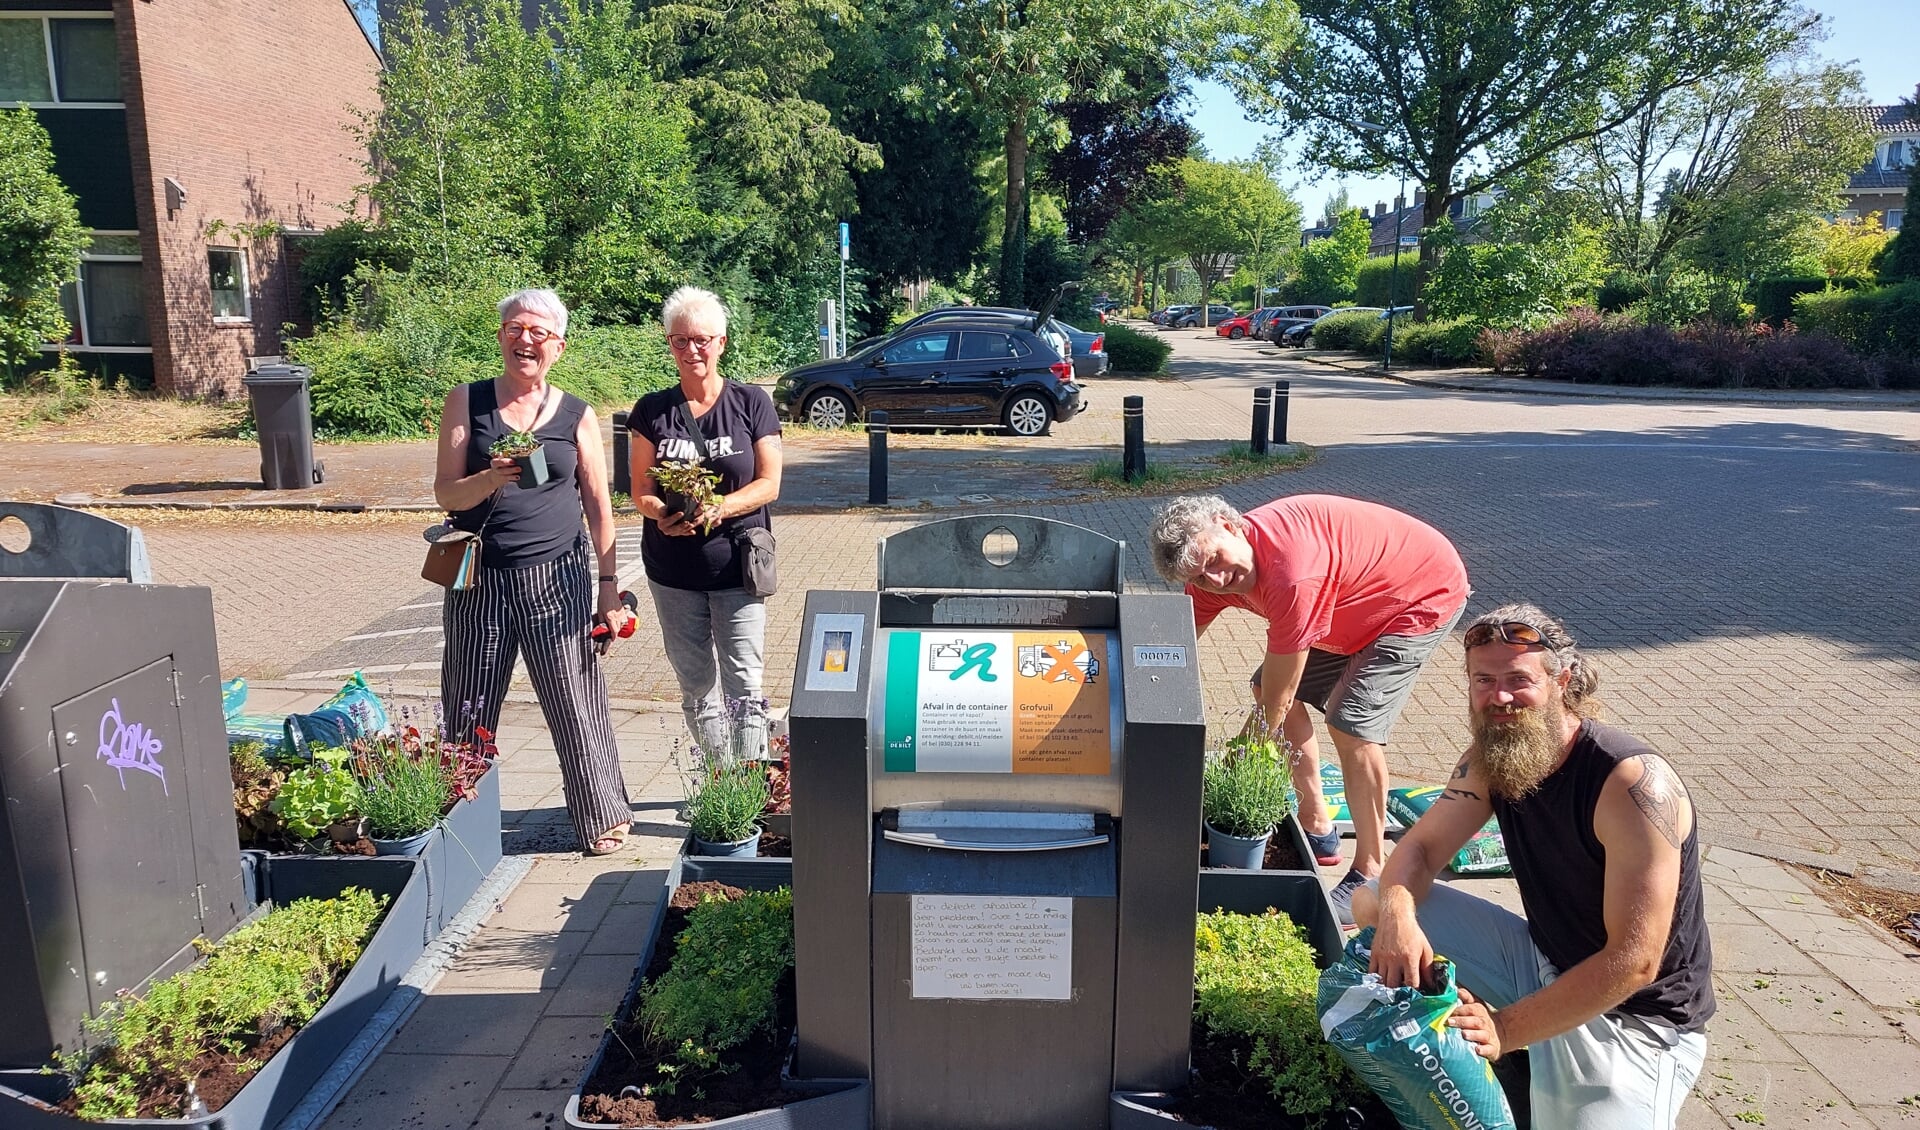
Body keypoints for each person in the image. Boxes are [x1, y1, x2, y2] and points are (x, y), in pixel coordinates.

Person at [1355, 603, 1713, 1129]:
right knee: (1373, 901)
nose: (1499, 697)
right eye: (1484, 679)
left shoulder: (1631, 783)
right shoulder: (1490, 758)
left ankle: (1521, 1046)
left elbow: (1635, 960)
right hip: (1546, 962)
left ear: (1561, 680)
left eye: (1518, 680)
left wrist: (1504, 1028)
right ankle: (1517, 1047)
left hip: (1633, 1017)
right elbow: (1420, 851)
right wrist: (1397, 917)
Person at [1148, 493, 1469, 923]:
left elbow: (1278, 706)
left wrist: (1244, 752)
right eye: (1202, 577)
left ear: (1229, 524)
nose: (1218, 579)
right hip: (1344, 604)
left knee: (1352, 723)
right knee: (1266, 687)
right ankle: (1317, 824)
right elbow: (1168, 652)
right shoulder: (1208, 575)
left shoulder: (1292, 572)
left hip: (1416, 595)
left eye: (1217, 560)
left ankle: (1372, 870)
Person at [433, 288, 635, 856]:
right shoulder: (466, 402)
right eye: (516, 329)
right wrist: (491, 478)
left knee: (576, 696)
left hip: (560, 573)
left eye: (539, 333)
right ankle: (456, 815)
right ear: (501, 336)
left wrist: (608, 586)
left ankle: (601, 815)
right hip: (481, 575)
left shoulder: (576, 414)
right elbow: (446, 490)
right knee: (469, 696)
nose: (527, 340)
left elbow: (598, 505)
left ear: (558, 347)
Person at [627, 286, 783, 761]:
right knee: (696, 685)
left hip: (738, 567)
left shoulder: (752, 403)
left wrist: (721, 508)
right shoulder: (651, 411)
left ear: (721, 342)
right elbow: (640, 490)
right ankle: (721, 780)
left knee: (744, 682)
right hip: (673, 572)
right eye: (680, 340)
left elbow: (770, 483)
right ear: (668, 343)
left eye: (702, 339)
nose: (692, 350)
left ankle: (750, 782)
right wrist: (660, 514)